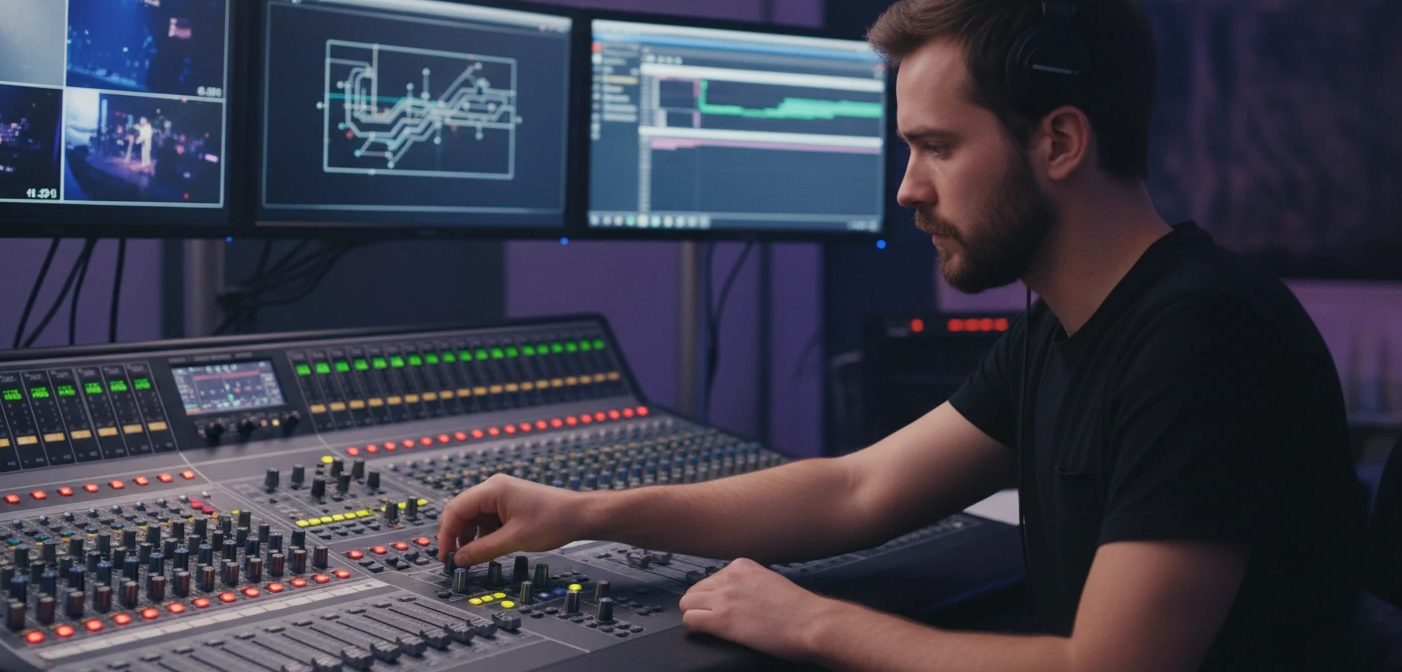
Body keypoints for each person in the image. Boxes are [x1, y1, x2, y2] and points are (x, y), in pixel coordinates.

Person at [437, 1, 1368, 670]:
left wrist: (811, 623)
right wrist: (581, 513)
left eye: (939, 147)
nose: (907, 188)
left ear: (1060, 142)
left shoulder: (1202, 338)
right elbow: (855, 487)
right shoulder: (1066, 328)